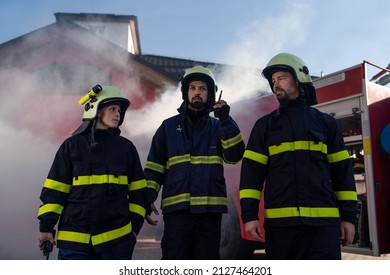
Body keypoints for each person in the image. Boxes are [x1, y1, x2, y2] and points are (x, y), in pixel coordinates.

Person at [239, 53, 358, 260]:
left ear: (299, 78)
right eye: (273, 81)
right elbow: (251, 176)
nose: (276, 84)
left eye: (281, 78)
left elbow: (342, 175)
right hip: (282, 228)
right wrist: (249, 216)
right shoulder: (264, 126)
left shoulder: (326, 124)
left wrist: (348, 218)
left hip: (323, 228)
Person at [144, 65, 245, 259]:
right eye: (193, 88)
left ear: (211, 94)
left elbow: (234, 156)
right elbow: (154, 168)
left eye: (202, 88)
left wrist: (226, 120)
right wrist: (147, 197)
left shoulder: (219, 126)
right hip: (177, 214)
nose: (197, 92)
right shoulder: (168, 127)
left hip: (209, 214)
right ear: (185, 92)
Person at [37, 85, 148, 260]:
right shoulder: (71, 146)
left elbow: (139, 194)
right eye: (112, 109)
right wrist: (46, 227)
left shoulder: (126, 149)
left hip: (116, 244)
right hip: (74, 243)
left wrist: (133, 231)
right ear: (94, 109)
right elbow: (55, 191)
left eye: (119, 110)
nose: (118, 114)